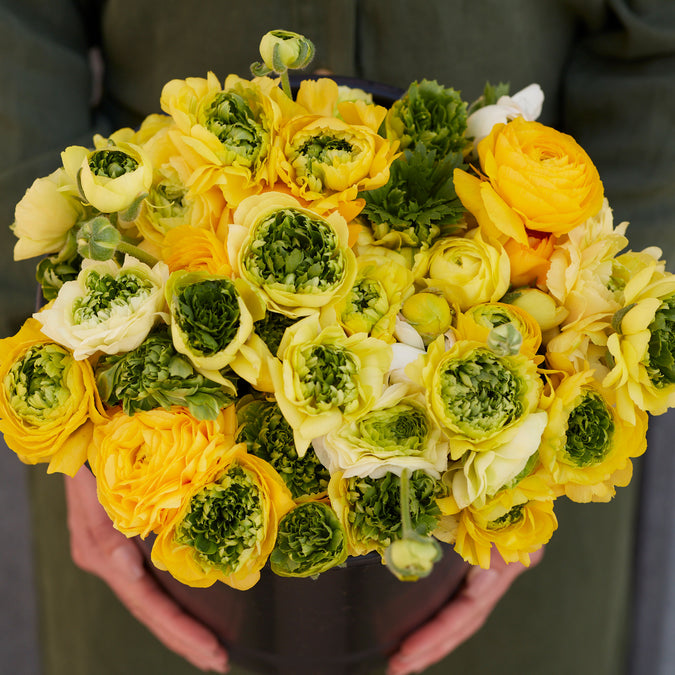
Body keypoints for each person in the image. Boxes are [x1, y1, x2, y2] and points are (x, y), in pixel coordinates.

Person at [1, 1, 674, 674]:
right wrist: (55, 337)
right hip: (138, 329)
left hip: (528, 393)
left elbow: (653, 43)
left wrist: (592, 303)